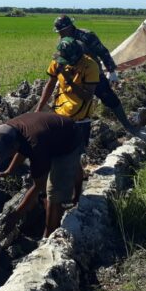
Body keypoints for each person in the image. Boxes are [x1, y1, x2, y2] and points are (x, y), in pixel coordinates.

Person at [0, 111, 82, 238]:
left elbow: (39, 185)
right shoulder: (2, 134)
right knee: (71, 166)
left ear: (14, 147)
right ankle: (78, 191)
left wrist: (16, 215)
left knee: (54, 191)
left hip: (69, 137)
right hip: (51, 130)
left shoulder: (36, 145)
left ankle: (49, 234)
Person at [35, 36, 100, 202]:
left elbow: (87, 96)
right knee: (52, 155)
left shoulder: (90, 66)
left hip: (80, 120)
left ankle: (76, 194)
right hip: (59, 117)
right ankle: (47, 192)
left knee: (74, 160)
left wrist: (69, 79)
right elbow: (49, 85)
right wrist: (39, 108)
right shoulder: (58, 62)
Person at [53, 15, 138, 136]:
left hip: (93, 74)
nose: (60, 34)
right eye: (59, 32)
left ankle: (128, 126)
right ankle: (73, 134)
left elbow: (102, 51)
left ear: (70, 27)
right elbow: (61, 58)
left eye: (62, 30)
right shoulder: (63, 40)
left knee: (109, 98)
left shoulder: (86, 36)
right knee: (72, 104)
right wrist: (60, 75)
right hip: (74, 76)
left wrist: (111, 71)